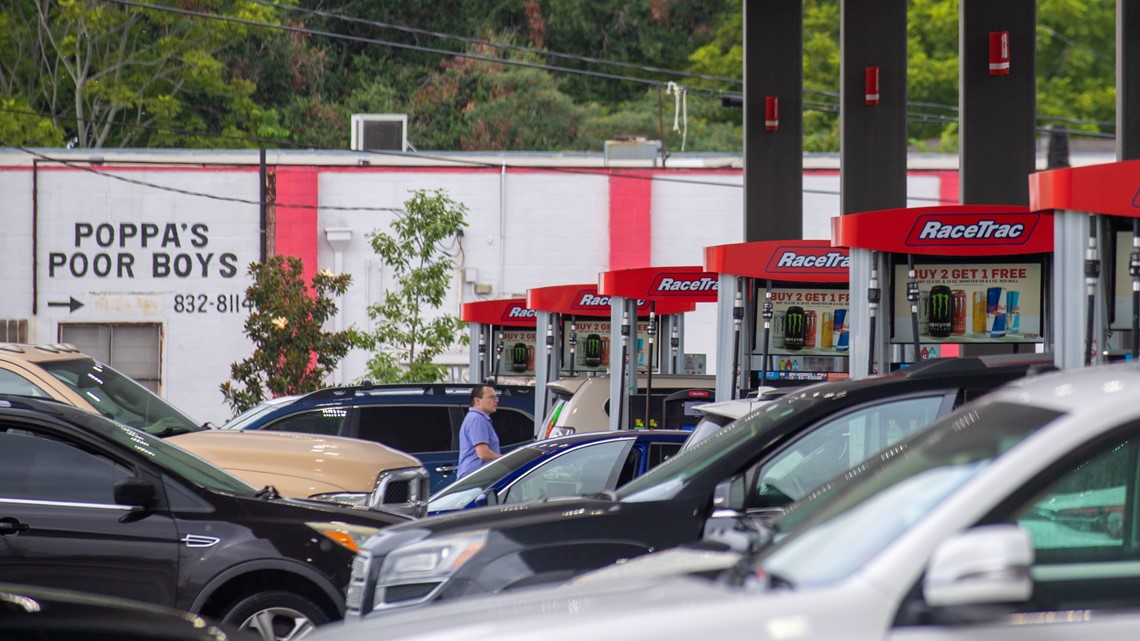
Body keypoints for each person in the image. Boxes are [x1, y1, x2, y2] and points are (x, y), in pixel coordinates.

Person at [457, 384, 501, 479]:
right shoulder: (477, 419)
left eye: (496, 397)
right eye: (491, 397)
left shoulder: (478, 418)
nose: (496, 401)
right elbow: (483, 453)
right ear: (477, 400)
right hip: (476, 478)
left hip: (477, 477)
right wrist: (506, 460)